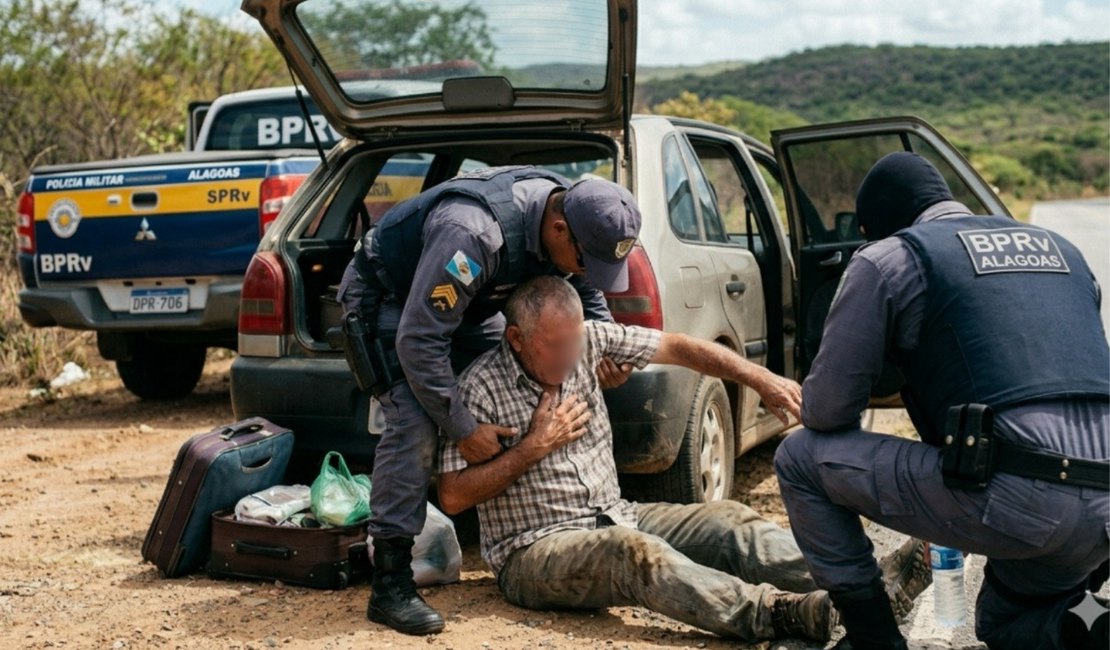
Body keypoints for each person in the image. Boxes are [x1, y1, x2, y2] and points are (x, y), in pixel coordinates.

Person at [437, 275, 931, 643]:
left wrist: (759, 380)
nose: (571, 356)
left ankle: (867, 584)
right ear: (517, 339)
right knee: (631, 551)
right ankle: (778, 612)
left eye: (575, 342)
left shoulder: (587, 343)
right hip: (533, 550)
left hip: (616, 511)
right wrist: (533, 448)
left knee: (728, 521)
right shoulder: (477, 389)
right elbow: (453, 496)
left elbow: (678, 346)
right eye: (556, 347)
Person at [773, 152, 1110, 650]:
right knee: (1000, 621)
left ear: (878, 224)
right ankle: (1095, 623)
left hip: (1020, 497)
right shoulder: (1062, 249)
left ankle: (872, 638)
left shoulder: (889, 257)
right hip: (1103, 501)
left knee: (798, 458)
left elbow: (827, 411)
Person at [336, 165, 643, 635]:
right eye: (585, 258)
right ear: (559, 229)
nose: (586, 270)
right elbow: (419, 340)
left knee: (529, 370)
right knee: (417, 419)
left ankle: (535, 526)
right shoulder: (474, 233)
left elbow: (582, 288)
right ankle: (391, 582)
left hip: (472, 302)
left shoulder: (573, 215)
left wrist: (603, 348)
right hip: (392, 300)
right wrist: (464, 428)